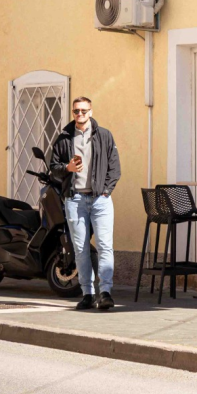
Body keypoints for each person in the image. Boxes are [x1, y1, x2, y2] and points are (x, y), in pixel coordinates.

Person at [49, 96, 121, 311]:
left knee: (104, 246)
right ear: (73, 113)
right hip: (75, 199)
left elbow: (115, 168)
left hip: (100, 200)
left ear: (91, 111)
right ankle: (87, 294)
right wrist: (67, 169)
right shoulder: (64, 138)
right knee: (80, 249)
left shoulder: (104, 135)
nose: (79, 115)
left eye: (83, 111)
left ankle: (105, 292)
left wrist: (106, 191)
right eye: (76, 111)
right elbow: (53, 167)